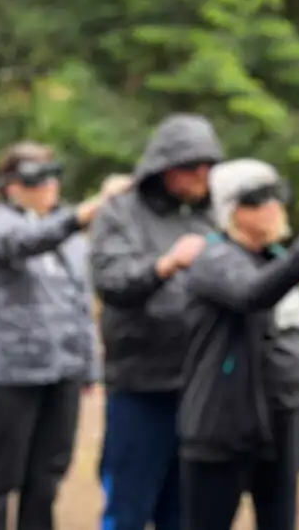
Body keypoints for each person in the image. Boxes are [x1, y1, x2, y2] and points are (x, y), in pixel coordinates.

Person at [0, 142, 124, 530]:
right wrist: (82, 214)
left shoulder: (68, 235)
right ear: (11, 185)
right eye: (35, 178)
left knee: (46, 479)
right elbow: (25, 242)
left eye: (52, 175)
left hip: (60, 374)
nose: (48, 185)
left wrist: (87, 366)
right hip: (6, 376)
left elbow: (79, 303)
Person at [89, 114, 223, 530]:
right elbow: (111, 282)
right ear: (165, 167)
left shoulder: (211, 215)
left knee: (186, 510)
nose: (201, 175)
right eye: (190, 166)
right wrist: (165, 265)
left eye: (207, 166)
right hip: (140, 386)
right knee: (128, 506)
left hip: (199, 389)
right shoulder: (120, 212)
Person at [178, 159, 299, 530]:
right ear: (230, 209)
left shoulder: (274, 258)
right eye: (258, 198)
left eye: (278, 194)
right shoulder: (214, 258)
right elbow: (250, 294)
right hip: (222, 427)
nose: (273, 205)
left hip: (279, 422)